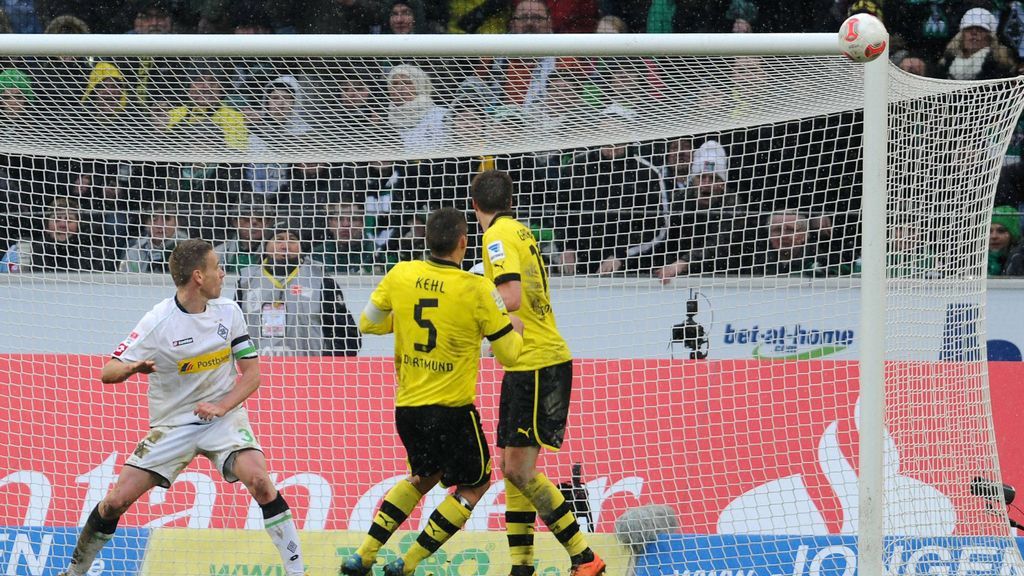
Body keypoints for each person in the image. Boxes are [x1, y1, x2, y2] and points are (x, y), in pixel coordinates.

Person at [54, 239, 305, 576]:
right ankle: (74, 572)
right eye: (217, 267)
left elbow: (252, 375)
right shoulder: (158, 322)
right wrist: (131, 368)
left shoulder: (229, 312)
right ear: (198, 277)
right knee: (116, 502)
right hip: (172, 424)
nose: (223, 273)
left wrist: (221, 405)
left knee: (260, 480)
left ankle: (298, 570)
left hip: (222, 417)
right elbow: (107, 372)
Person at [339, 207, 525, 576]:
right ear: (463, 243)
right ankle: (406, 564)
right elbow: (508, 355)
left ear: (426, 241)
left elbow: (368, 323)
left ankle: (363, 555)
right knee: (477, 483)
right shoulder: (477, 288)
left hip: (408, 410)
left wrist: (406, 320)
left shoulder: (401, 273)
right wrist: (513, 329)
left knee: (422, 477)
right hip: (453, 410)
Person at [470, 170, 606, 576]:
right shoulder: (521, 232)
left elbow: (509, 296)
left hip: (537, 363)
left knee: (518, 470)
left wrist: (471, 303)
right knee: (512, 468)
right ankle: (521, 566)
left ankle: (585, 558)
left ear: (474, 203)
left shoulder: (496, 237)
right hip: (528, 362)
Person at [236, 229, 361, 355]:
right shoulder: (246, 281)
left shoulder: (320, 280)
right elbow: (235, 333)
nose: (285, 246)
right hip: (258, 370)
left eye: (292, 240)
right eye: (279, 239)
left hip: (308, 371)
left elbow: (349, 337)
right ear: (266, 245)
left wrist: (324, 364)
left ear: (301, 246)